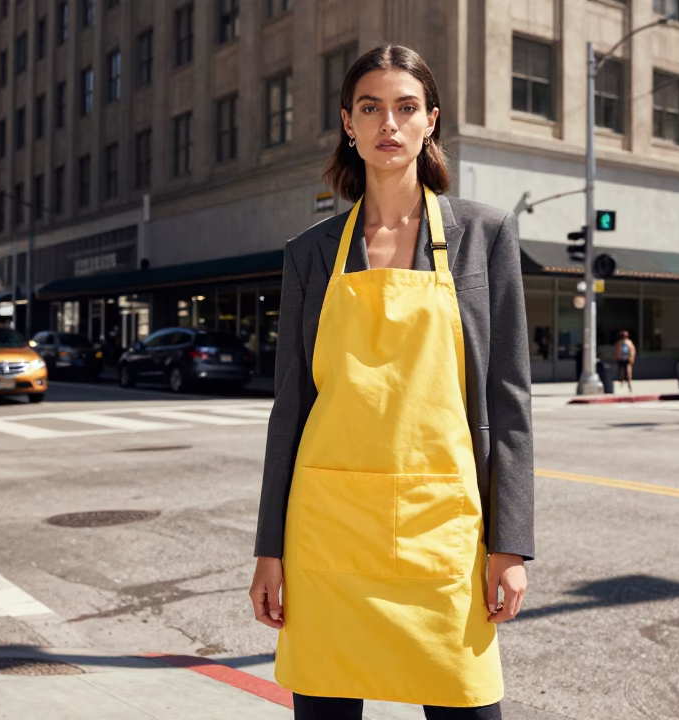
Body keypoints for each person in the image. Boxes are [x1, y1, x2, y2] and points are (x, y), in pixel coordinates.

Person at [249, 44, 534, 720]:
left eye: (407, 108)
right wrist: (269, 551)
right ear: (348, 122)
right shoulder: (310, 254)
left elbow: (509, 397)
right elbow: (290, 409)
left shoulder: (484, 236)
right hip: (326, 534)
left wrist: (510, 543)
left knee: (467, 705)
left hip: (444, 527)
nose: (390, 124)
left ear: (430, 120)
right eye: (371, 108)